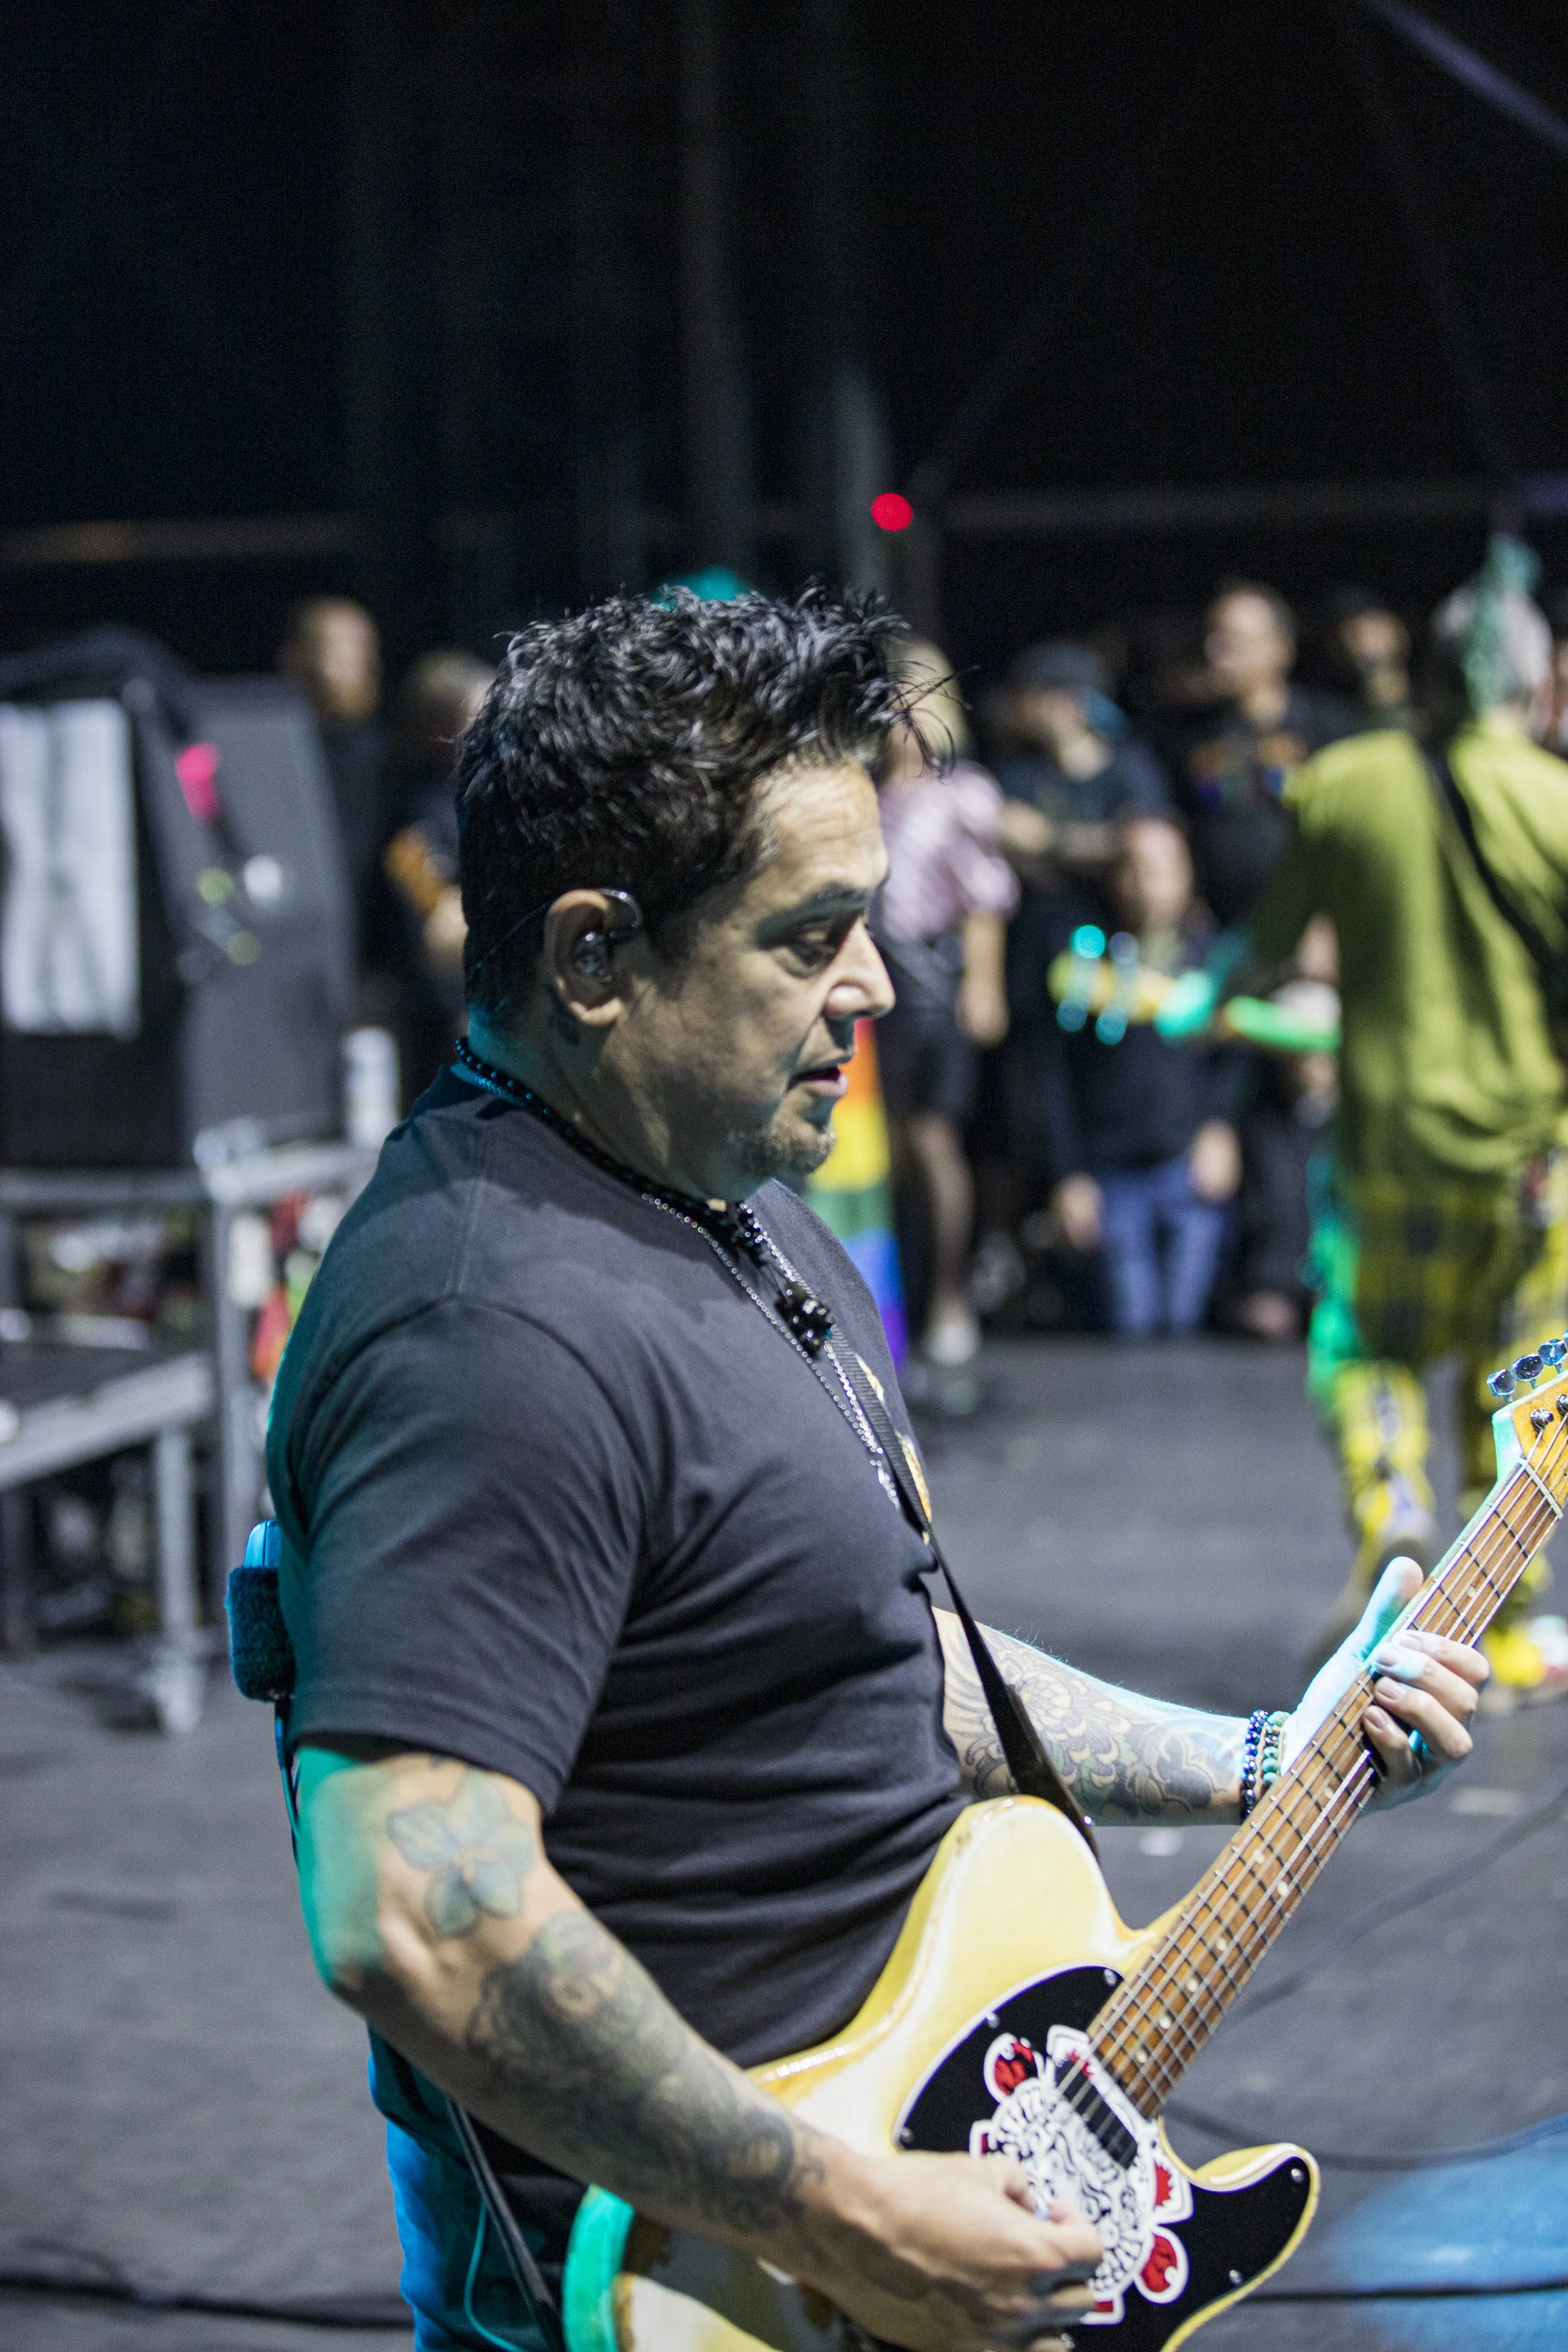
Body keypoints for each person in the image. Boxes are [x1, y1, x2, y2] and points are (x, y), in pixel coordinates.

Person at [268, 588, 1483, 2352]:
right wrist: (846, 2211)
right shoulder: (491, 1322)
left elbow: (874, 1659)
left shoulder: (721, 1203)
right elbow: (406, 1902)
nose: (877, 981)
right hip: (726, 2288)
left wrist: (1262, 1759)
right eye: (810, 933)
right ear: (594, 957)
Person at [1237, 539, 1568, 1698]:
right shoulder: (1557, 800)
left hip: (1383, 1150)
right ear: (1532, 688)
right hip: (1530, 1166)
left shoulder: (1344, 781)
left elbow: (1267, 950)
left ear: (1426, 675)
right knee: (1522, 1389)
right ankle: (1503, 1624)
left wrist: (1211, 996)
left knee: (1367, 1350)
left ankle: (1395, 1503)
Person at [1012, 818, 1241, 1337]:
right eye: (1133, 870)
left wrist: (1220, 1126)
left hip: (1187, 1165)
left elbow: (1232, 1060)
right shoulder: (1085, 965)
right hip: (1109, 1173)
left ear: (1187, 876)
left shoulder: (1211, 959)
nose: (1147, 885)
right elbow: (1053, 1075)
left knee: (1188, 1324)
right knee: (1129, 1324)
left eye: (1161, 870)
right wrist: (1067, 1173)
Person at [874, 638, 1016, 1365]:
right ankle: (894, 1302)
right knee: (888, 1149)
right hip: (877, 991)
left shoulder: (961, 792)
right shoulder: (868, 793)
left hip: (934, 988)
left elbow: (984, 898)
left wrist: (983, 985)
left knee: (933, 1141)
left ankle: (950, 1298)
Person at [382, 649, 497, 1103]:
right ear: (438, 728)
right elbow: (431, 924)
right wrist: (460, 1007)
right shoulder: (418, 813)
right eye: (477, 715)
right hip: (448, 1016)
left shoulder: (484, 796)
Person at [991, 640, 1173, 893]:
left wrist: (1050, 840)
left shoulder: (1130, 766)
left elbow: (1141, 843)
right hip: (1044, 915)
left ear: (1066, 702)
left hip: (1115, 915)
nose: (1022, 706)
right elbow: (1011, 848)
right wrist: (1098, 846)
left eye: (1031, 695)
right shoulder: (1015, 771)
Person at [278, 596, 390, 975]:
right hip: (295, 942)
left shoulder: (388, 758)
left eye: (362, 651)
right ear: (295, 661)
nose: (353, 664)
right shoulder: (277, 755)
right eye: (335, 651)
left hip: (372, 957)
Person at [1319, 588, 1418, 734]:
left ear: (1400, 630)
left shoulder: (1439, 703)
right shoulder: (1335, 723)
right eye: (1353, 631)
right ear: (1337, 649)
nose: (1367, 635)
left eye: (1374, 621)